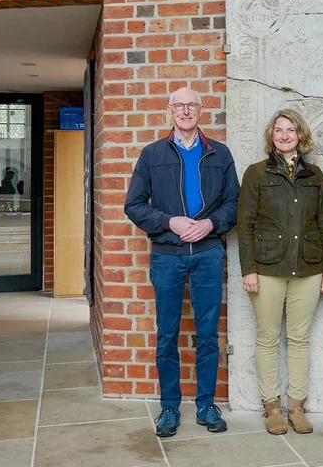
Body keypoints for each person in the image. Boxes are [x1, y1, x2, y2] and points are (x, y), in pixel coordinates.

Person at [124, 87, 240, 438]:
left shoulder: (219, 153)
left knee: (207, 334)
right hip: (167, 256)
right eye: (180, 105)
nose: (186, 111)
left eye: (192, 105)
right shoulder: (152, 154)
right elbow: (134, 205)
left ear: (201, 110)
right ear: (170, 110)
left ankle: (205, 404)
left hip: (207, 253)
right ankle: (169, 408)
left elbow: (233, 204)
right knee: (167, 334)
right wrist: (169, 222)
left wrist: (210, 224)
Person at [238, 109, 323, 435]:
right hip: (266, 269)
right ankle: (271, 407)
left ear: (300, 135)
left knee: (299, 339)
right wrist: (249, 269)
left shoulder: (315, 175)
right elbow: (245, 224)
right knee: (268, 338)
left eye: (290, 130)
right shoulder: (256, 173)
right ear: (271, 135)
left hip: (308, 268)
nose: (284, 135)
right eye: (278, 130)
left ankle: (296, 406)